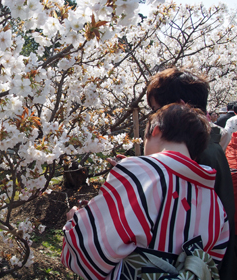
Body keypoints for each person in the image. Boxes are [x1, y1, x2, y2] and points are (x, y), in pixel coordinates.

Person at [61, 104, 229, 279]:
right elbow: (213, 259)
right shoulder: (215, 203)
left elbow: (95, 251)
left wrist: (74, 223)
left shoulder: (139, 171)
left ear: (155, 130)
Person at [146, 67, 235, 279]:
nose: (153, 119)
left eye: (157, 110)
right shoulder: (208, 148)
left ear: (179, 108)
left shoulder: (197, 157)